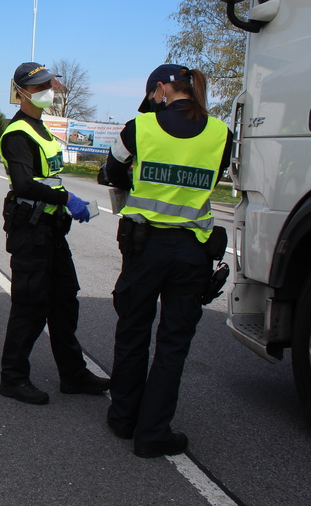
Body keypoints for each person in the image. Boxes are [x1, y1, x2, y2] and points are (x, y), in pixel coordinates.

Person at [101, 64, 232, 458]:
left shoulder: (139, 127)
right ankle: (153, 433)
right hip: (192, 252)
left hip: (145, 248)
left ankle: (123, 418)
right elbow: (214, 178)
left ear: (161, 89)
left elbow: (113, 172)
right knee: (173, 345)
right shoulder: (221, 132)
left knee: (133, 333)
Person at [0, 61, 109, 405]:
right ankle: (13, 378)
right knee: (30, 306)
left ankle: (73, 375)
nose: (47, 91)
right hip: (31, 232)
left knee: (64, 302)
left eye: (49, 85)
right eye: (39, 86)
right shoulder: (18, 133)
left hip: (51, 231)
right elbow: (24, 184)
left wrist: (65, 201)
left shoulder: (42, 129)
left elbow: (48, 178)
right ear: (21, 92)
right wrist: (67, 199)